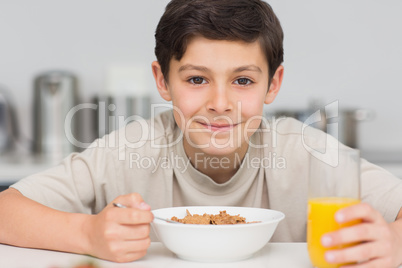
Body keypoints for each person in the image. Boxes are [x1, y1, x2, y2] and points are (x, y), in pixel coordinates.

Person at [0, 0, 402, 266]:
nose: (220, 103)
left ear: (273, 84)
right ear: (162, 80)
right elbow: (6, 211)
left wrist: (393, 242)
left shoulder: (308, 151)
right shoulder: (126, 151)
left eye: (243, 81)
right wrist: (87, 232)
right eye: (196, 79)